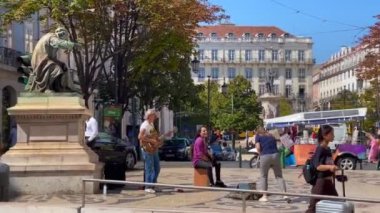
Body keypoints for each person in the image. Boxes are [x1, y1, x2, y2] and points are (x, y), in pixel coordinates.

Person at [30, 27, 80, 93]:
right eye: (65, 37)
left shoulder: (53, 39)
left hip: (46, 60)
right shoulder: (51, 37)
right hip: (40, 61)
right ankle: (46, 88)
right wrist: (73, 45)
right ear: (62, 34)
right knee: (56, 69)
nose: (64, 39)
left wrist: (60, 63)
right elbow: (58, 43)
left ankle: (64, 87)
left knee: (63, 66)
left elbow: (53, 58)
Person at [306, 125, 339, 213]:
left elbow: (328, 164)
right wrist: (330, 167)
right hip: (320, 183)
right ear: (325, 135)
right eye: (332, 134)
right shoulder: (320, 149)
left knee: (337, 204)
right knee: (312, 209)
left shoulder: (327, 149)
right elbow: (318, 166)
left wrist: (337, 176)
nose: (333, 136)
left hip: (328, 182)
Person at [139, 109, 172, 193]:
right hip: (147, 149)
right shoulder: (145, 125)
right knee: (149, 168)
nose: (155, 117)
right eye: (154, 115)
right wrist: (151, 141)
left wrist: (164, 136)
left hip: (153, 149)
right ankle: (148, 186)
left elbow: (155, 138)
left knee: (157, 168)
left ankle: (153, 185)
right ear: (149, 116)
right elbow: (140, 137)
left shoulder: (151, 124)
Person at [255, 127, 287, 202]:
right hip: (275, 155)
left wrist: (260, 153)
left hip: (265, 155)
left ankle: (264, 196)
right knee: (279, 176)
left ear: (258, 132)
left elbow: (258, 147)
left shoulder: (258, 136)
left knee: (263, 176)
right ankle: (285, 194)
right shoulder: (271, 135)